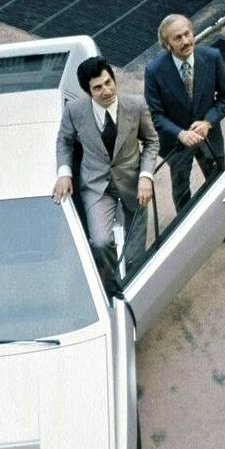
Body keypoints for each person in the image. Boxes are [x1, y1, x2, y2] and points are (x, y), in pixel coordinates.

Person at [144, 13, 225, 249]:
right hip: (177, 143)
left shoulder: (212, 57)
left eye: (187, 34)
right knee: (181, 189)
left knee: (218, 183)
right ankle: (188, 235)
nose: (185, 41)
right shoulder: (154, 70)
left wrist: (208, 122)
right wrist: (180, 134)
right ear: (167, 44)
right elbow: (156, 115)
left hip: (209, 138)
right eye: (177, 38)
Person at [53, 56, 159, 284]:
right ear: (88, 91)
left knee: (134, 252)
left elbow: (151, 141)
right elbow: (64, 141)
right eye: (98, 87)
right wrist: (64, 173)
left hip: (134, 183)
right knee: (100, 242)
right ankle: (113, 281)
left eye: (108, 82)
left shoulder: (136, 105)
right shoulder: (74, 111)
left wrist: (146, 176)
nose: (106, 90)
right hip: (96, 186)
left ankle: (133, 281)